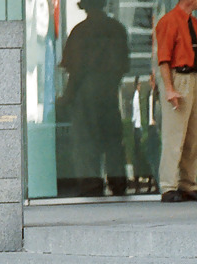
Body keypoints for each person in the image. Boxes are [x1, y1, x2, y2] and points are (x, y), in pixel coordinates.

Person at [59, 0, 130, 196]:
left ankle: (91, 185)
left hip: (85, 93)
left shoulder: (79, 31)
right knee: (113, 141)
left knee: (86, 142)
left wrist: (67, 97)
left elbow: (74, 71)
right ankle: (118, 182)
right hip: (109, 92)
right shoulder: (117, 29)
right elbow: (123, 66)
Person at [155, 0, 197, 202]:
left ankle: (188, 184)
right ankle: (168, 185)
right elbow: (163, 59)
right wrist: (170, 88)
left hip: (195, 78)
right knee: (174, 134)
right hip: (179, 77)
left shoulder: (193, 23)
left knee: (195, 135)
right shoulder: (169, 21)